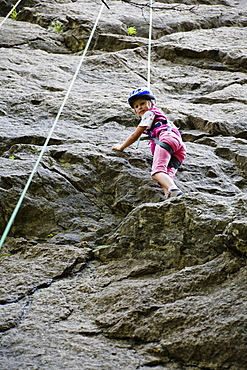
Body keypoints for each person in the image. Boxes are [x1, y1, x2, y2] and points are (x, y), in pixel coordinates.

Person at [112, 87, 187, 199]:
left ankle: (175, 191)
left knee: (157, 172)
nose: (140, 107)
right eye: (136, 106)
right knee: (164, 176)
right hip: (178, 146)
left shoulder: (149, 113)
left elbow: (134, 136)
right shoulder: (162, 118)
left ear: (152, 103)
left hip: (166, 140)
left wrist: (121, 147)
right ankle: (170, 197)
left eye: (142, 103)